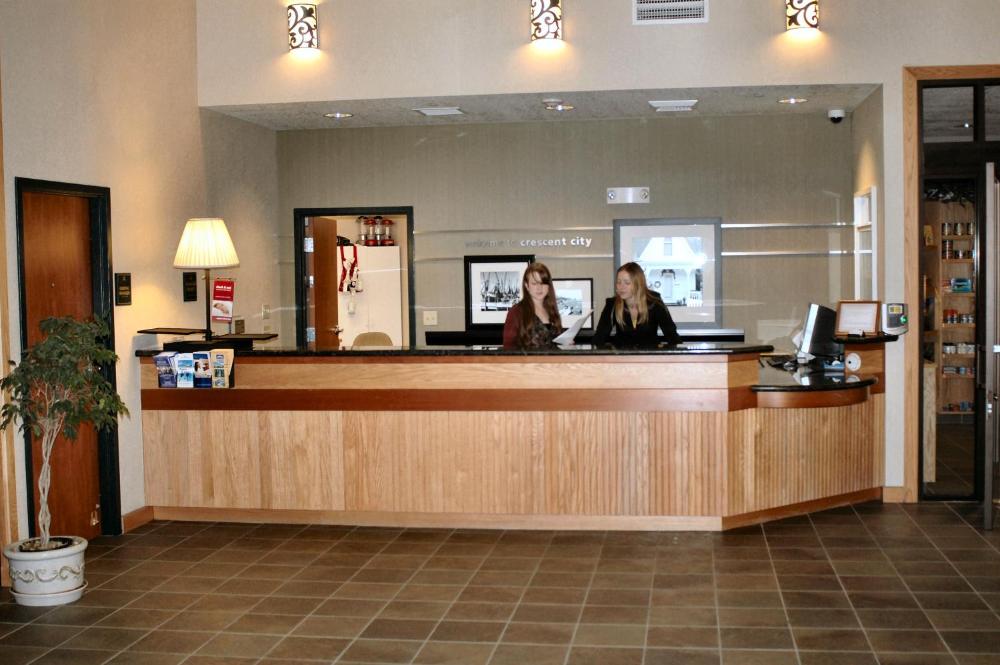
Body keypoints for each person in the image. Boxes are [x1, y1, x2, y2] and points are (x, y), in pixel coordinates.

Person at [592, 262, 682, 347]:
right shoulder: (612, 304)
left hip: (649, 358)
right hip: (621, 359)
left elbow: (672, 337)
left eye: (627, 283)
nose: (621, 287)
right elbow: (599, 338)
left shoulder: (655, 302)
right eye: (618, 282)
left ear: (638, 284)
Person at [502, 263, 563, 349]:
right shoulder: (516, 312)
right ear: (527, 286)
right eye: (534, 283)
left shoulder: (552, 310)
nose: (539, 288)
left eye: (543, 283)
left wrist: (565, 344)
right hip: (527, 362)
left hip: (554, 362)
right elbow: (509, 349)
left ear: (548, 286)